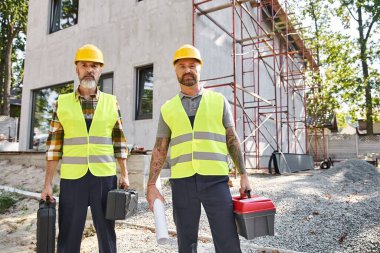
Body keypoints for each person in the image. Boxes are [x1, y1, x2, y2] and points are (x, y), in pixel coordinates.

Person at [146, 44, 252, 253]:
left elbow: (231, 138)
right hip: (182, 182)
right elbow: (160, 147)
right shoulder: (168, 108)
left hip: (215, 180)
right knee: (186, 243)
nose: (187, 70)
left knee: (227, 240)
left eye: (192, 65)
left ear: (199, 68)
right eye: (182, 66)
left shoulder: (218, 101)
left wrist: (244, 174)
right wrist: (151, 185)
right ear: (175, 70)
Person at [41, 44, 129, 253]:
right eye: (85, 65)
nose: (89, 69)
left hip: (104, 178)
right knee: (68, 235)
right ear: (77, 68)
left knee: (107, 235)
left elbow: (119, 141)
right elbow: (54, 147)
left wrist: (124, 174)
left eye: (94, 66)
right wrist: (47, 184)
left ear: (100, 70)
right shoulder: (62, 103)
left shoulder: (111, 101)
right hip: (73, 180)